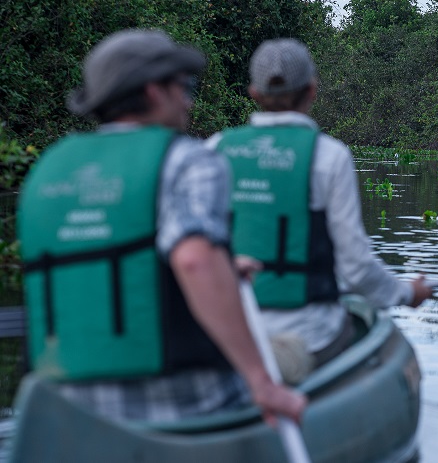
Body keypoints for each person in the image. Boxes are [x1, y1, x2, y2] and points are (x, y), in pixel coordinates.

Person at [16, 29, 306, 424]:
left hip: (64, 409)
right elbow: (194, 261)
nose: (188, 100)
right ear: (154, 92)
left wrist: (222, 268)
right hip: (186, 402)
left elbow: (112, 261)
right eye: (183, 86)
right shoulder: (189, 160)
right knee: (293, 354)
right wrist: (262, 383)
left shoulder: (47, 170)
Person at [208, 38, 433, 384]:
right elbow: (356, 270)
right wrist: (406, 293)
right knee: (356, 332)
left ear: (253, 93)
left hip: (230, 337)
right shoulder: (329, 156)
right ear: (312, 90)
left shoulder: (215, 149)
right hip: (311, 336)